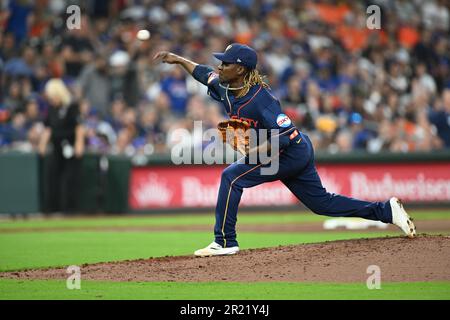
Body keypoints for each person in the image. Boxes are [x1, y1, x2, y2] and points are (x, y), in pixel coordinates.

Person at [153, 43, 417, 257]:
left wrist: (254, 150)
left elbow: (286, 136)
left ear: (241, 69)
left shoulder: (263, 100)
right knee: (321, 204)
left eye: (226, 63)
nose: (220, 67)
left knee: (231, 177)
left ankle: (224, 242)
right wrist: (177, 59)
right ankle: (386, 211)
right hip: (290, 152)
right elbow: (202, 73)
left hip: (288, 152)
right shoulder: (224, 85)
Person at [38, 79, 85, 214]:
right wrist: (42, 144)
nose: (51, 99)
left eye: (52, 95)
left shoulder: (71, 106)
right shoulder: (51, 108)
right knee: (52, 176)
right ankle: (52, 208)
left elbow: (79, 127)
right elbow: (48, 128)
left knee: (69, 179)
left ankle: (69, 209)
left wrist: (79, 144)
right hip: (56, 146)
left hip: (70, 145)